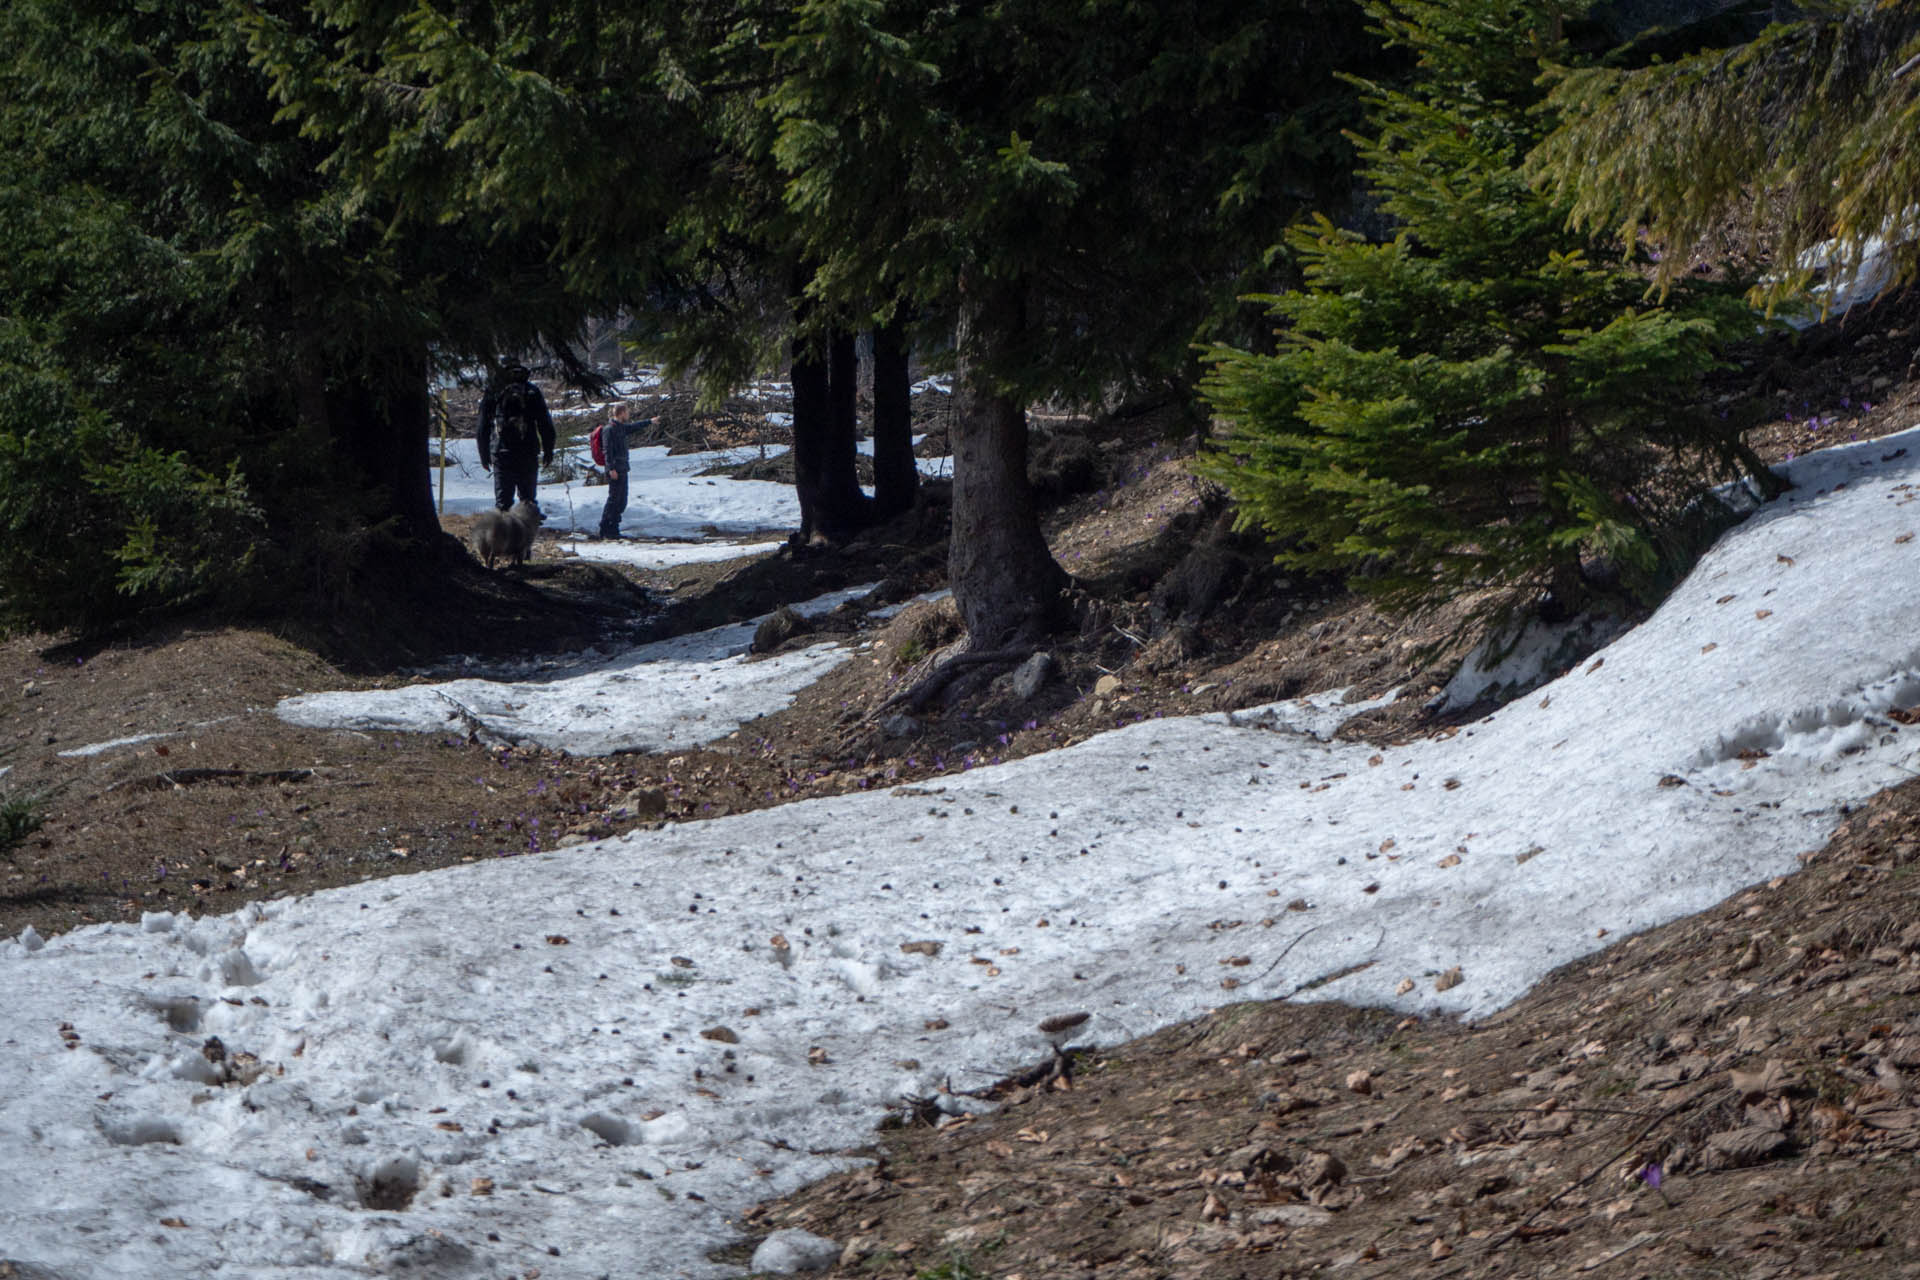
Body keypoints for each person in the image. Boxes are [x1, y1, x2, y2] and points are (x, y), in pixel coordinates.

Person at [477, 363, 555, 512]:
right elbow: (545, 423)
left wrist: (484, 453)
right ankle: (527, 533)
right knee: (528, 501)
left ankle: (501, 532)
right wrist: (548, 450)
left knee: (503, 502)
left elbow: (482, 425)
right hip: (528, 450)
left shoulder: (494, 391)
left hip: (501, 451)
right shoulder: (532, 391)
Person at [596, 402, 644, 540]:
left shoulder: (622, 428)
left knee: (621, 501)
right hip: (614, 470)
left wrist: (650, 421)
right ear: (621, 413)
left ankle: (614, 528)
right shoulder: (609, 429)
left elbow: (635, 427)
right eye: (627, 412)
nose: (628, 414)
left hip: (623, 469)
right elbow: (607, 451)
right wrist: (611, 468)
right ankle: (605, 528)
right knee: (613, 499)